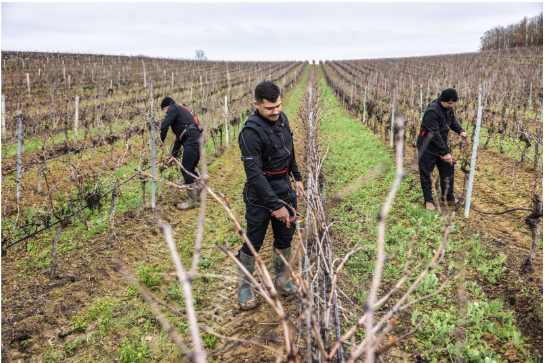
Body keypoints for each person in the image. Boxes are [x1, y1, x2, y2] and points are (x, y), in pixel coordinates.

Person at [236, 81, 304, 310]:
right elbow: (254, 175)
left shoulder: (282, 119)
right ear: (256, 105)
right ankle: (244, 287)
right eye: (270, 108)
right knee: (253, 242)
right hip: (260, 194)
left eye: (278, 106)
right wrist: (275, 205)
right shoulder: (250, 133)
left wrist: (297, 177)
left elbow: (289, 150)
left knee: (285, 237)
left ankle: (281, 281)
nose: (275, 111)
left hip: (284, 188)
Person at [417, 88, 468, 211]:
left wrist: (460, 130)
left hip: (441, 144)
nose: (451, 105)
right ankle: (428, 200)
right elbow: (434, 133)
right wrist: (445, 152)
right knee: (427, 173)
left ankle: (448, 197)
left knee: (448, 168)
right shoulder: (432, 111)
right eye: (449, 103)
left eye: (452, 103)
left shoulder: (448, 109)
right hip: (427, 145)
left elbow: (452, 121)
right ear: (442, 100)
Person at [159, 97, 203, 210]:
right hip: (197, 138)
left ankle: (191, 201)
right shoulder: (181, 115)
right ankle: (197, 195)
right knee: (191, 168)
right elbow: (180, 138)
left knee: (186, 169)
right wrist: (174, 156)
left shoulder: (173, 108)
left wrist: (161, 140)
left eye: (164, 110)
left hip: (192, 139)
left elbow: (164, 125)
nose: (165, 113)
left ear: (166, 107)